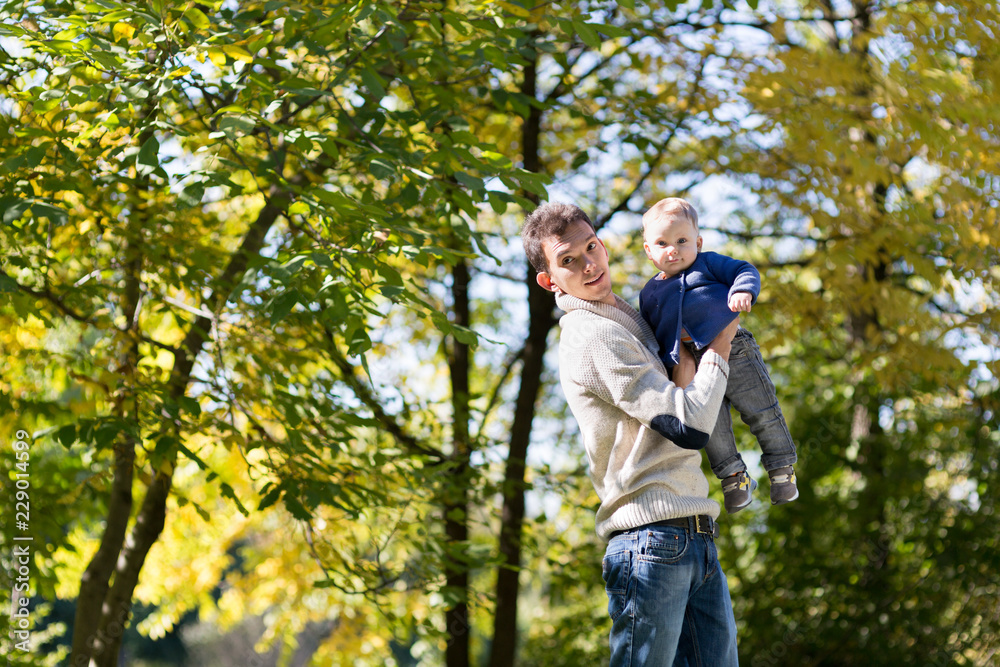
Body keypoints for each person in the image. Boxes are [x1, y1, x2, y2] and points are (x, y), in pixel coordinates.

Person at [522, 201, 740, 666]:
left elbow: (682, 386)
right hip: (650, 538)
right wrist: (721, 342)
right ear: (549, 280)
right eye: (568, 261)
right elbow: (688, 424)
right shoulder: (592, 334)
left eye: (591, 247)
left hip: (694, 531)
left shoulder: (629, 315)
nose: (588, 264)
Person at [638, 197, 798, 514]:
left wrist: (743, 291)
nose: (673, 250)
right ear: (649, 251)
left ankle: (782, 468)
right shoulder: (649, 294)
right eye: (662, 243)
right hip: (695, 367)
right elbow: (652, 334)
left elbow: (744, 270)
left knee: (761, 410)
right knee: (713, 428)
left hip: (734, 348)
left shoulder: (707, 264)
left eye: (682, 241)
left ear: (698, 242)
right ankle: (733, 477)